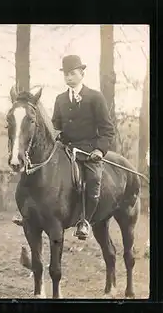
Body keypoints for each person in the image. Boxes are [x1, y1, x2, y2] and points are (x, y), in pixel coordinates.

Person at [51, 55, 115, 240]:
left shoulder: (95, 97)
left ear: (82, 73)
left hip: (88, 152)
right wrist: (57, 135)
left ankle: (85, 221)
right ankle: (36, 215)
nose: (68, 78)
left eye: (72, 74)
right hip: (65, 150)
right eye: (66, 74)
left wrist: (99, 150)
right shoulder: (60, 99)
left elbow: (107, 129)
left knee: (94, 179)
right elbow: (56, 125)